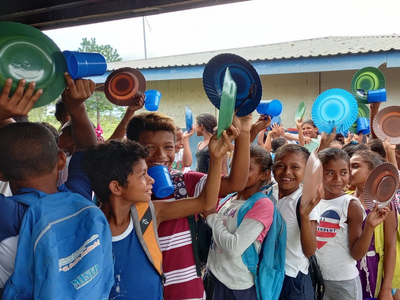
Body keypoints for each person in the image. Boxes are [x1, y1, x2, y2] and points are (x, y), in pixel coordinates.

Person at [83, 123, 235, 300]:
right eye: (142, 175)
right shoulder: (92, 232)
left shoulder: (148, 212)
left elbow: (205, 202)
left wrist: (216, 158)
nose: (151, 180)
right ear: (116, 187)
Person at [0, 74, 114, 298]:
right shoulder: (78, 198)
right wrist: (77, 107)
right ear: (61, 160)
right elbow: (87, 148)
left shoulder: (9, 215)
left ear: (2, 175)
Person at [126, 111, 252, 300]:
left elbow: (235, 184)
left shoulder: (185, 182)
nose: (161, 155)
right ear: (132, 148)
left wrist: (244, 133)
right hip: (139, 290)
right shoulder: (125, 193)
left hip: (185, 289)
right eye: (149, 147)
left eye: (168, 147)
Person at [316, 148, 389, 300]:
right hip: (317, 278)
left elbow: (356, 253)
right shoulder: (314, 200)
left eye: (343, 172)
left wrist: (369, 227)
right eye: (330, 173)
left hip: (343, 282)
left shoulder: (350, 204)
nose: (337, 178)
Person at [205, 145, 274, 299]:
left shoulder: (261, 204)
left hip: (236, 286)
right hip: (214, 277)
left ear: (264, 174)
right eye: (234, 167)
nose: (238, 173)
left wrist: (211, 217)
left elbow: (233, 248)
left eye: (247, 168)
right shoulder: (229, 199)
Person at [272, 144, 322, 300]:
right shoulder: (268, 192)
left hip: (293, 277)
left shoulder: (306, 201)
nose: (287, 172)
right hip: (269, 273)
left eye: (295, 167)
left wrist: (305, 216)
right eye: (281, 165)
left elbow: (309, 251)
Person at [349, 150, 397, 299]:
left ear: (372, 171)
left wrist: (387, 288)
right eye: (348, 166)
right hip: (347, 269)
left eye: (355, 166)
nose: (349, 171)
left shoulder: (384, 204)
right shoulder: (344, 200)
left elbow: (391, 246)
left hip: (372, 268)